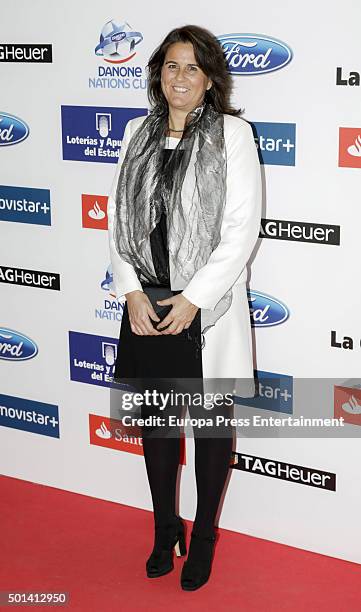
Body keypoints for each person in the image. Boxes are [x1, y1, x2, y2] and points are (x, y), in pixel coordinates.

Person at [107, 25, 262, 591]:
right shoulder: (133, 132)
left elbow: (241, 229)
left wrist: (194, 299)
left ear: (210, 78)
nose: (180, 78)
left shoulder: (232, 134)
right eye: (171, 66)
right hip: (146, 302)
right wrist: (128, 290)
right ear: (157, 73)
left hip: (206, 310)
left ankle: (203, 538)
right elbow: (117, 220)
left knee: (210, 426)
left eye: (192, 68)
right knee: (158, 426)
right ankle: (164, 527)